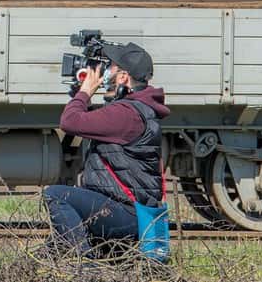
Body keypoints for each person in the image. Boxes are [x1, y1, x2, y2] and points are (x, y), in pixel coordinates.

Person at [42, 42, 169, 258]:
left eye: (110, 66)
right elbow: (93, 122)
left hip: (125, 216)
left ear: (123, 77)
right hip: (123, 212)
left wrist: (84, 92)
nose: (104, 72)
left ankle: (87, 270)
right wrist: (80, 94)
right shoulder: (134, 110)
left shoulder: (126, 114)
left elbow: (70, 121)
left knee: (56, 195)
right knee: (53, 248)